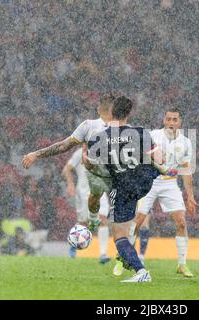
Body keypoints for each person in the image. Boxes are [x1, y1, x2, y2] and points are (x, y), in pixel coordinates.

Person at [87, 96, 176, 283]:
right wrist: (160, 165)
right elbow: (158, 159)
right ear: (129, 113)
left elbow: (93, 167)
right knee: (157, 160)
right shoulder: (141, 132)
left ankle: (139, 270)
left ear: (110, 113)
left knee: (119, 235)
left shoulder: (98, 137)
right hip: (144, 182)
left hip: (123, 187)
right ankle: (131, 251)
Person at [113, 108, 198, 277]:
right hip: (149, 182)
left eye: (175, 120)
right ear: (164, 120)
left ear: (180, 122)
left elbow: (186, 170)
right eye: (168, 119)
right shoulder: (153, 136)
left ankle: (182, 264)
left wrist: (190, 196)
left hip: (170, 184)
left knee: (181, 222)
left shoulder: (186, 142)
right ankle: (122, 259)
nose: (171, 123)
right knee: (137, 222)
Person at [22, 94, 115, 231]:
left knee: (96, 221)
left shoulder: (88, 125)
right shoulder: (126, 130)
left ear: (99, 109)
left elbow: (63, 146)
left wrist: (37, 154)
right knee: (102, 222)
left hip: (97, 186)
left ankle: (97, 250)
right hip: (106, 186)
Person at [62, 147, 110, 263]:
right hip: (83, 193)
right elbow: (66, 169)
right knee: (83, 223)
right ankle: (73, 245)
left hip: (99, 191)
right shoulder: (79, 153)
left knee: (102, 220)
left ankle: (103, 254)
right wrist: (70, 184)